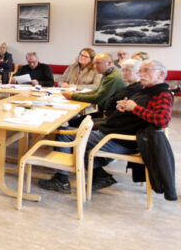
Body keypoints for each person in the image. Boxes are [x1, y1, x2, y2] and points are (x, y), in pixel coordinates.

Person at [39, 60, 173, 194]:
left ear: (161, 74)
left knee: (64, 134)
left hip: (120, 140)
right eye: (140, 71)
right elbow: (139, 112)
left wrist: (134, 108)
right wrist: (125, 107)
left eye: (146, 71)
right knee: (77, 133)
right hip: (114, 134)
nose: (141, 74)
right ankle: (100, 176)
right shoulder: (147, 90)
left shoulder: (162, 94)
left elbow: (162, 120)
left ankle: (61, 180)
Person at [61, 53, 126, 112]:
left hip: (113, 112)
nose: (94, 66)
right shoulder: (109, 73)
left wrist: (73, 96)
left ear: (109, 63)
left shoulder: (113, 77)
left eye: (98, 63)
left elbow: (98, 98)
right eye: (94, 63)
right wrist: (74, 94)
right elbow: (96, 91)